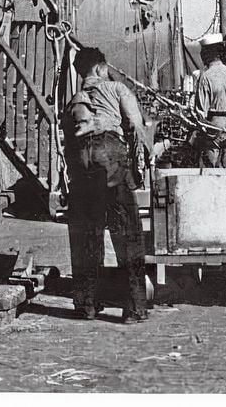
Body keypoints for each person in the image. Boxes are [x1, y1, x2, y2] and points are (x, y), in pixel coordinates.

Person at [62, 46, 152, 323]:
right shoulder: (117, 89)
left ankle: (87, 305)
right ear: (101, 68)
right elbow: (137, 127)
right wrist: (142, 161)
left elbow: (67, 138)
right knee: (127, 233)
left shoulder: (74, 102)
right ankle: (134, 308)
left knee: (86, 234)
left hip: (82, 164)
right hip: (111, 156)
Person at [193, 32, 226, 168]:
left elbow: (201, 112)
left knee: (211, 168)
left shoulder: (206, 77)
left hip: (215, 123)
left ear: (207, 54)